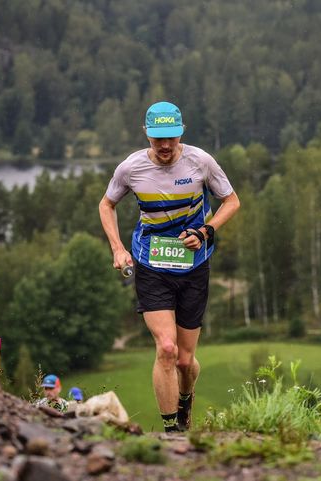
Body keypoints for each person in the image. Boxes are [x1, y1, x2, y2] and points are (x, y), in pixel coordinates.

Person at [99, 101, 240, 432]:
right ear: (146, 134)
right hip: (151, 265)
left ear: (182, 134)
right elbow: (107, 205)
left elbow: (231, 201)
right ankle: (172, 433)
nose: (164, 146)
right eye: (157, 138)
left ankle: (185, 402)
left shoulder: (201, 162)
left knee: (185, 361)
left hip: (194, 267)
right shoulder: (130, 168)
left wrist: (206, 231)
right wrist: (118, 248)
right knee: (165, 348)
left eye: (172, 138)